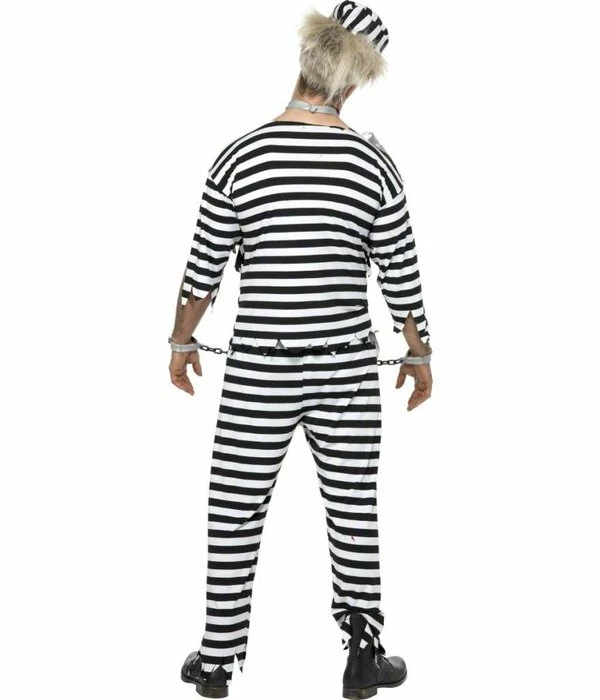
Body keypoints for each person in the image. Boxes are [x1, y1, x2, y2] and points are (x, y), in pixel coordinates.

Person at [169, 2, 433, 697]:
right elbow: (401, 276)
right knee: (352, 507)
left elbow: (203, 270)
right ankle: (363, 654)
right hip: (348, 369)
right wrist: (419, 354)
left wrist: (180, 340)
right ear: (356, 78)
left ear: (306, 59)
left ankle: (216, 661)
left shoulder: (241, 156)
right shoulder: (372, 164)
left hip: (258, 368)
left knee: (234, 507)